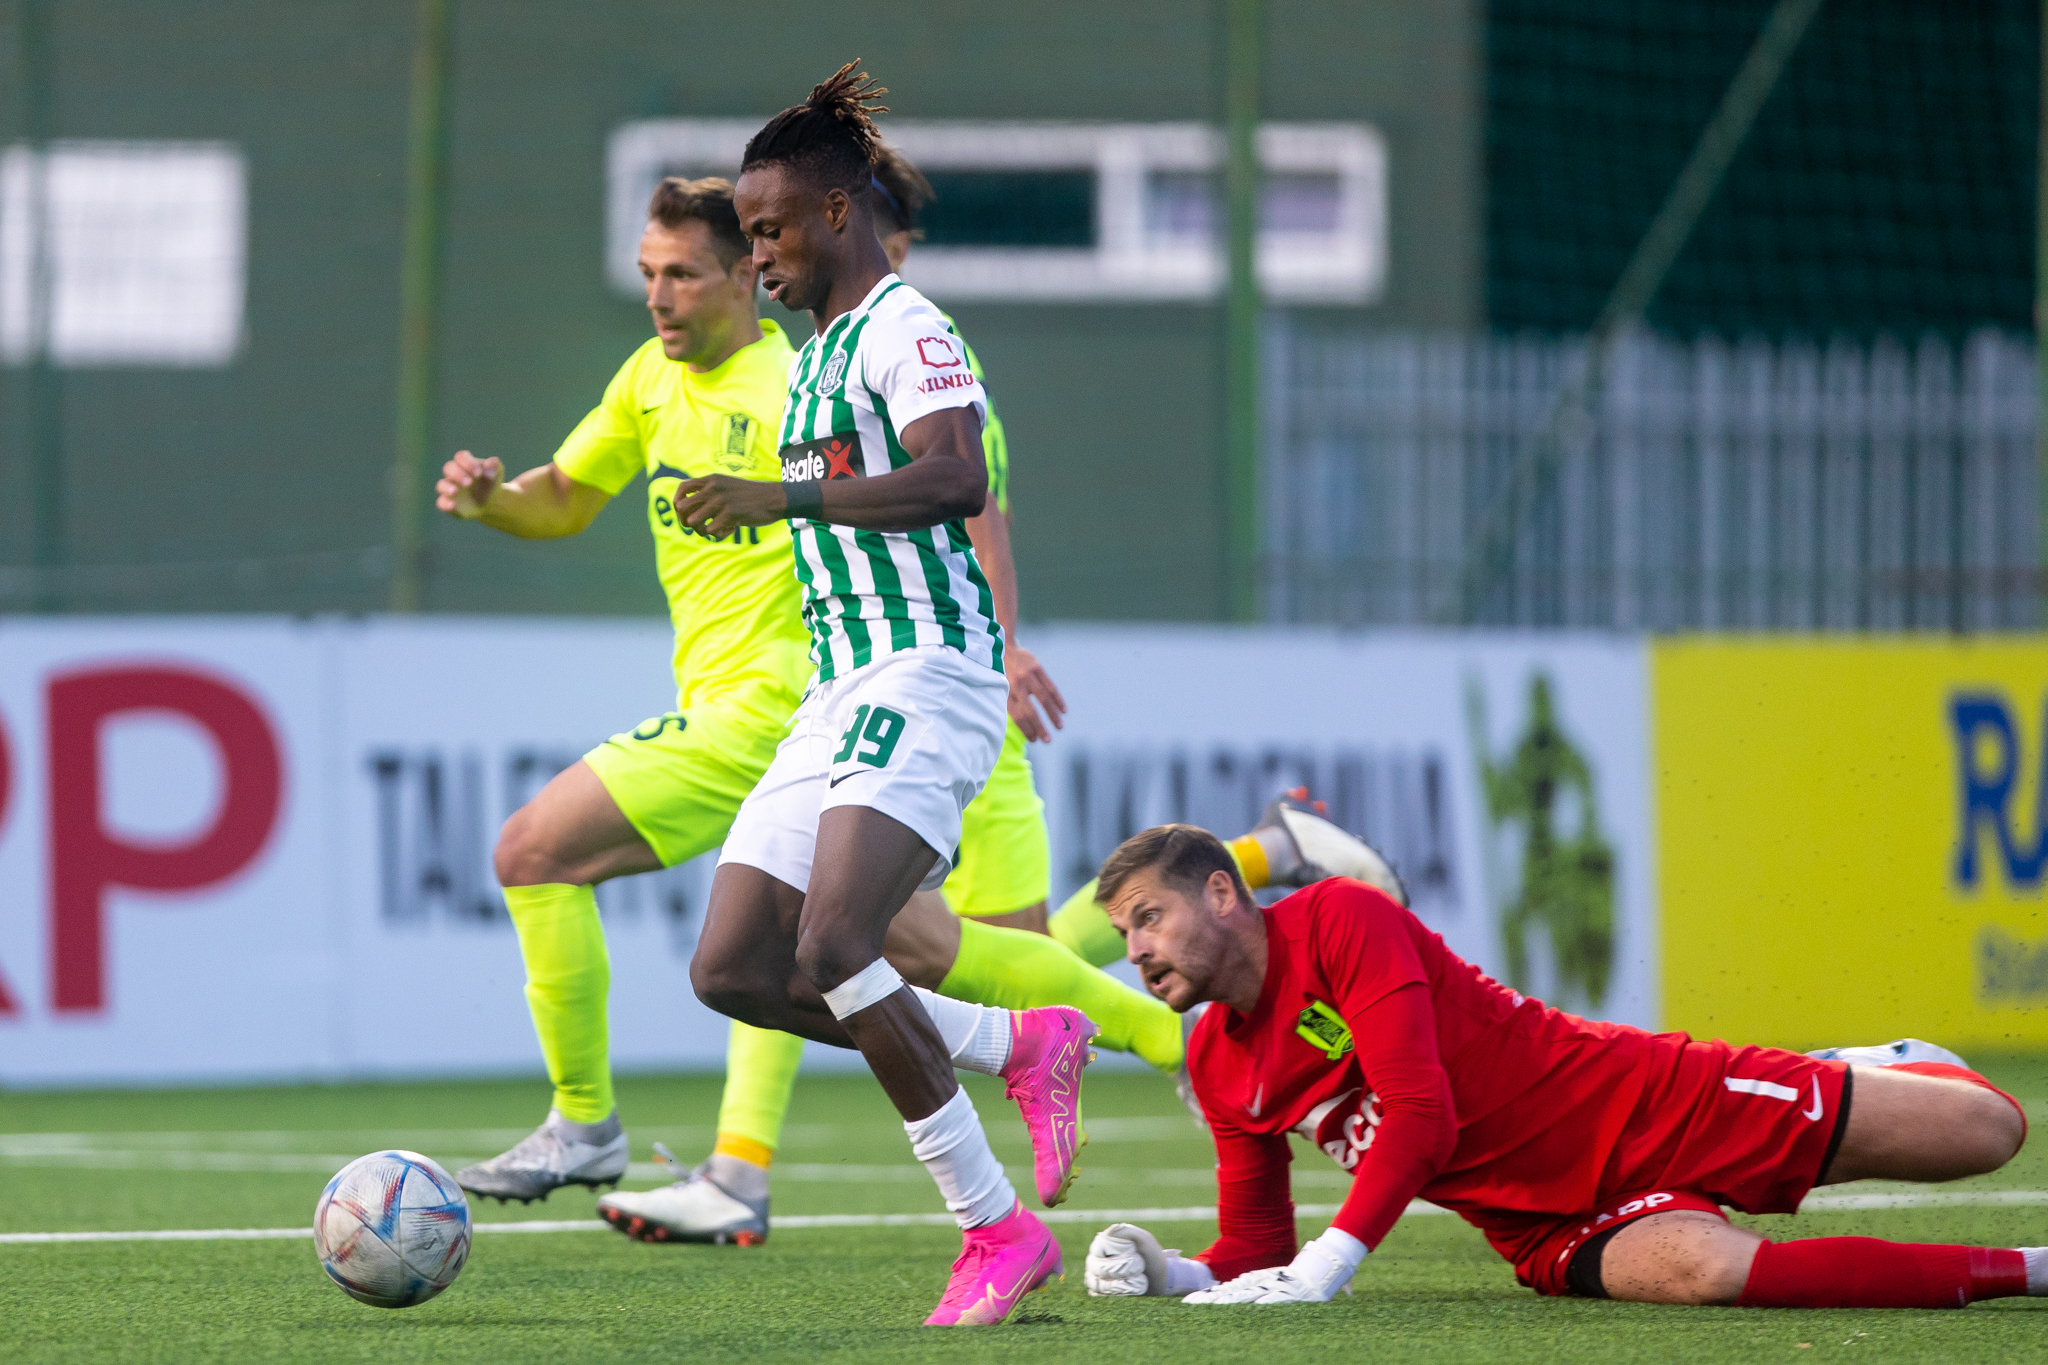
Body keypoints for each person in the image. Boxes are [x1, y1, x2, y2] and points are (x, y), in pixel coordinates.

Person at [430, 172, 1178, 1214]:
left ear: (749, 269)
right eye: (648, 276)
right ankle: (1152, 1034)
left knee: (538, 853)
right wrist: (488, 506)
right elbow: (560, 498)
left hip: (787, 704)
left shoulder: (807, 381)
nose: (658, 298)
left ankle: (600, 1129)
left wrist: (997, 643)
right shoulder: (648, 379)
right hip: (800, 713)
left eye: (683, 276)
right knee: (925, 953)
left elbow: (961, 499)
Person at [667, 62, 1078, 1328]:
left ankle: (994, 1231)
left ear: (837, 215)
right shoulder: (812, 361)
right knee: (732, 969)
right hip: (839, 692)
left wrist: (779, 498)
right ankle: (1018, 1043)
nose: (760, 256)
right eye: (749, 236)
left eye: (772, 230)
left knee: (836, 945)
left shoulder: (908, 330)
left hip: (931, 676)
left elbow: (954, 480)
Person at [1080, 823, 2044, 1311]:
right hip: (1548, 1227)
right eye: (1125, 933)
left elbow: (1423, 1116)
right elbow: (1256, 1252)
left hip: (1645, 1103)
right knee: (1706, 1276)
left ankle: (1863, 1066)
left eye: (1149, 919)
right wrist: (1171, 1273)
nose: (1137, 950)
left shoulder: (1340, 917)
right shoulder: (1215, 1058)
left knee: (1989, 1129)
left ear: (1220, 893)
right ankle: (2033, 1273)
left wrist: (1326, 1268)